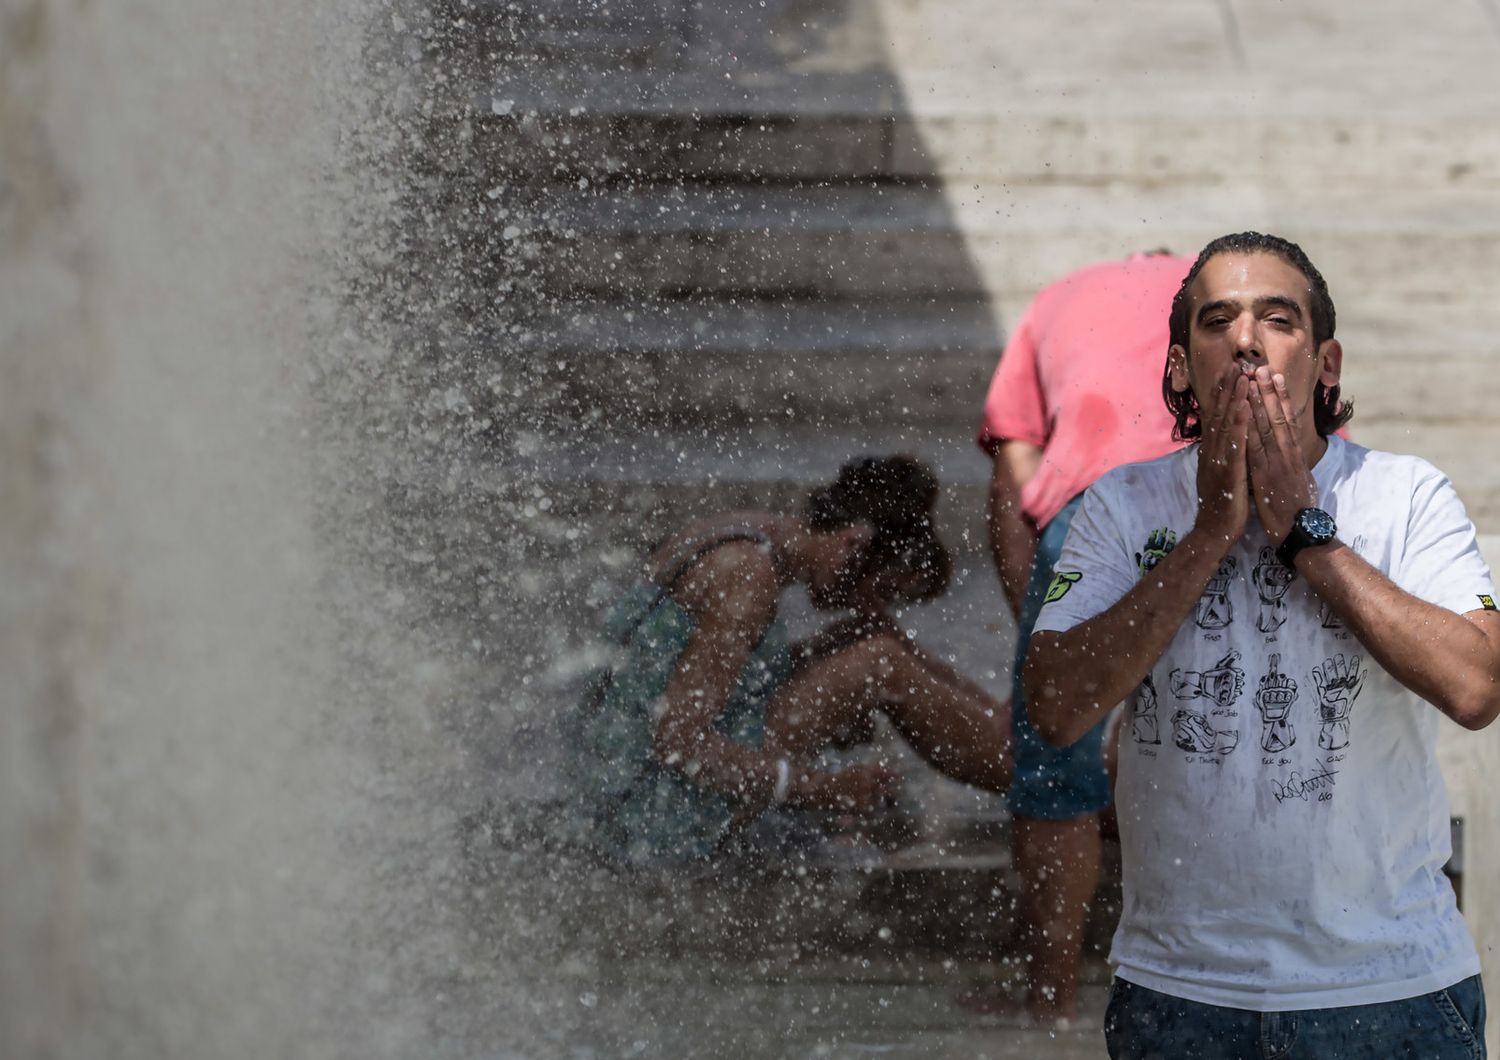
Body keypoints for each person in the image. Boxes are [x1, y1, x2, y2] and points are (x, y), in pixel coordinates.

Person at [1026, 232, 1499, 1058]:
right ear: (1180, 368)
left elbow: (1476, 686)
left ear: (1326, 364)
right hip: (1181, 997)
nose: (1245, 339)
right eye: (1217, 321)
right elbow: (1056, 709)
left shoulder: (1405, 494)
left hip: (1391, 991)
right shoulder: (1120, 508)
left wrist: (1306, 538)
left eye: (1277, 319)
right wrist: (1211, 531)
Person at [568, 454, 1014, 866]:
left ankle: (1013, 730)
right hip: (646, 818)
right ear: (854, 542)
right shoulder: (748, 576)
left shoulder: (747, 532)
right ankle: (1037, 778)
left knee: (868, 640)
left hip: (622, 790)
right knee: (878, 662)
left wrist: (816, 654)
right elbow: (679, 743)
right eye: (880, 590)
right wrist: (822, 789)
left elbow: (704, 679)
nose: (870, 606)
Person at [974, 251, 1193, 1023]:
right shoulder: (1238, 287)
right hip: (1213, 492)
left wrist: (1047, 655)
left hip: (1091, 504)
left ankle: (1051, 999)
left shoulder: (1057, 300)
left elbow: (1013, 479)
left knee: (1055, 766)